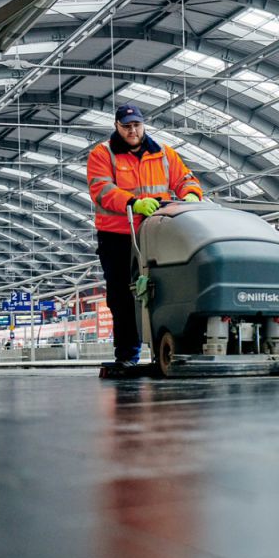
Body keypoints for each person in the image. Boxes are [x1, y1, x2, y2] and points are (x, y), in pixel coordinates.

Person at [87, 103, 203, 368]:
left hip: (156, 235)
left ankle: (167, 345)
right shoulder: (103, 154)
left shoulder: (163, 154)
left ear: (143, 125)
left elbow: (187, 179)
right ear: (117, 126)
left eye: (137, 125)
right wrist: (132, 203)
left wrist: (191, 196)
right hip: (117, 237)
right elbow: (101, 189)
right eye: (126, 126)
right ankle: (127, 354)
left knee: (162, 289)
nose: (132, 131)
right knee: (121, 295)